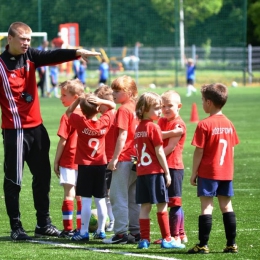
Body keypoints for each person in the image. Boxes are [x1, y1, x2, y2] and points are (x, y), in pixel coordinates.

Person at [0, 21, 100, 241]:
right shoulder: (0, 65)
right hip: (14, 132)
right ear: (10, 39)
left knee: (43, 177)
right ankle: (16, 227)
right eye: (22, 39)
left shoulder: (31, 56)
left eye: (29, 39)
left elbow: (52, 55)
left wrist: (76, 52)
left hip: (37, 129)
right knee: (14, 180)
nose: (27, 43)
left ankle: (43, 223)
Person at [187, 83, 239, 254]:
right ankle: (231, 244)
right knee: (226, 206)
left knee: (207, 207)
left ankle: (203, 245)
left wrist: (194, 172)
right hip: (226, 171)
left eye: (202, 100)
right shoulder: (229, 123)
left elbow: (199, 151)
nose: (201, 103)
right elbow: (231, 148)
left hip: (209, 172)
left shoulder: (204, 124)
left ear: (209, 102)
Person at [134, 92, 185, 250]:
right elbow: (160, 151)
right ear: (144, 109)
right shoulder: (153, 127)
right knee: (162, 205)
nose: (159, 111)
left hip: (141, 172)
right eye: (156, 108)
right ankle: (167, 239)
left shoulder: (138, 128)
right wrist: (166, 172)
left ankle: (144, 240)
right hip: (155, 172)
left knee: (145, 206)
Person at [66, 94, 116, 241]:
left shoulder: (81, 122)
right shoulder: (104, 121)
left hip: (85, 166)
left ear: (82, 109)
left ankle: (83, 232)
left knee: (86, 200)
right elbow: (113, 106)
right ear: (98, 108)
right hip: (101, 165)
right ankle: (101, 231)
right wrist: (100, 101)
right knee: (101, 199)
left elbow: (68, 112)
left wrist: (77, 100)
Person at [103, 75, 140, 244]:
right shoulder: (137, 107)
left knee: (119, 197)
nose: (113, 94)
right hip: (137, 158)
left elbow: (122, 135)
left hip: (124, 157)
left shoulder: (124, 109)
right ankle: (136, 232)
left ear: (129, 92)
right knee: (133, 198)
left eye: (117, 91)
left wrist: (114, 158)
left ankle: (120, 234)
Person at [53, 79, 85, 238]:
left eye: (64, 95)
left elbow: (63, 140)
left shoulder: (67, 116)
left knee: (68, 193)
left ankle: (68, 229)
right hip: (84, 160)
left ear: (76, 97)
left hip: (69, 159)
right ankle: (81, 229)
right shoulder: (88, 113)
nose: (61, 98)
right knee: (80, 194)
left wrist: (56, 160)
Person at [156, 90, 187, 245]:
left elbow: (170, 147)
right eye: (163, 106)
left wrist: (156, 157)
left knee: (175, 202)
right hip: (163, 166)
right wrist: (168, 133)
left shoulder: (179, 124)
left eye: (170, 106)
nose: (166, 109)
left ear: (179, 106)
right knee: (165, 201)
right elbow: (156, 135)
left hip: (174, 166)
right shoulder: (162, 121)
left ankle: (176, 235)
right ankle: (178, 234)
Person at [94, 85, 116, 232]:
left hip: (108, 159)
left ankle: (112, 220)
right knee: (111, 193)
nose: (97, 108)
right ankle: (113, 219)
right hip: (112, 157)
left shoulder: (109, 116)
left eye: (98, 105)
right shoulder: (113, 114)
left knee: (107, 193)